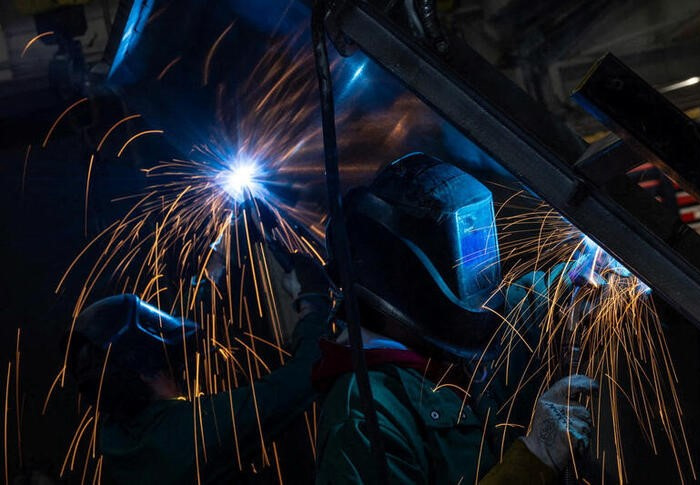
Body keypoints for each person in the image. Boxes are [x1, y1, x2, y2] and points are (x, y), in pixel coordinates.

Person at [314, 153, 597, 484]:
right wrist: (533, 460)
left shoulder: (442, 346)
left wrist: (583, 272)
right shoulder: (364, 418)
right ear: (410, 281)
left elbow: (515, 312)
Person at [67, 254, 332, 484]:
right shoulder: (194, 433)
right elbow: (303, 376)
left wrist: (208, 277)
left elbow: (165, 337)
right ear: (145, 368)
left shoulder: (115, 438)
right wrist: (311, 302)